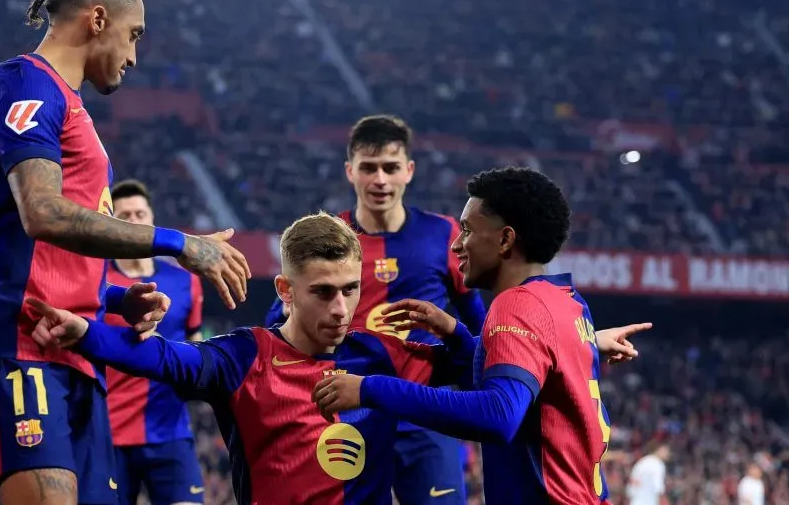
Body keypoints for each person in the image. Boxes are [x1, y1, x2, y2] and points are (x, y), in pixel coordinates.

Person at [0, 0, 250, 505]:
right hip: (19, 342)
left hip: (73, 351)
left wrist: (110, 300)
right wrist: (178, 243)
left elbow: (52, 255)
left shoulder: (72, 107)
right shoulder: (22, 84)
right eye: (133, 35)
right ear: (97, 19)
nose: (134, 55)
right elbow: (43, 213)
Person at [29, 212, 474, 504]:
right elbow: (163, 359)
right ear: (285, 291)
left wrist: (454, 330)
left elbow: (484, 372)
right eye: (322, 291)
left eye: (349, 289)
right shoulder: (245, 356)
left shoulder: (380, 354)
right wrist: (87, 333)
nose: (340, 308)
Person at [312, 167, 652, 505]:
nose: (457, 245)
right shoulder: (568, 301)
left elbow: (499, 414)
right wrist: (458, 336)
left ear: (505, 239)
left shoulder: (516, 305)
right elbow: (533, 366)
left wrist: (370, 388)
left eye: (467, 230)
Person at [264, 115, 486, 503]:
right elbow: (279, 316)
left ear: (409, 171)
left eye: (390, 167)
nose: (380, 180)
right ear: (350, 171)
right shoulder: (330, 235)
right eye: (369, 168)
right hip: (350, 411)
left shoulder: (444, 233)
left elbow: (478, 321)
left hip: (423, 408)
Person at [102, 180, 206, 505]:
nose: (134, 221)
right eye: (124, 216)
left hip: (170, 432)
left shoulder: (185, 282)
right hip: (107, 435)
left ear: (152, 219)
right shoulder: (97, 282)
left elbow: (195, 344)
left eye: (140, 213)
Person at [626, 440, 669, 505]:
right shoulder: (657, 464)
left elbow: (629, 490)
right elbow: (658, 488)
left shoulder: (641, 463)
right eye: (666, 450)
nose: (667, 453)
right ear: (659, 449)